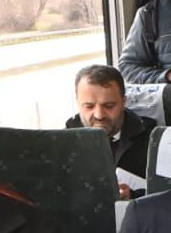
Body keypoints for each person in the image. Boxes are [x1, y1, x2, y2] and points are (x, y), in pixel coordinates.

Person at [66, 64, 154, 197]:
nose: (99, 115)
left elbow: (169, 196)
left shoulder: (152, 141)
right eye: (89, 106)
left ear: (124, 102)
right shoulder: (63, 143)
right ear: (78, 103)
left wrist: (133, 196)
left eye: (109, 106)